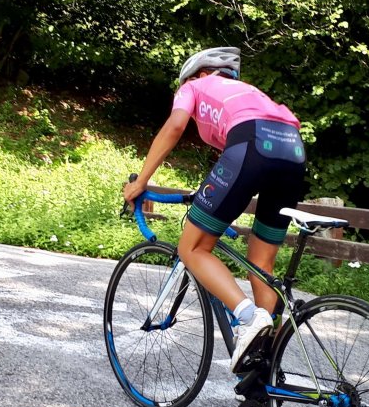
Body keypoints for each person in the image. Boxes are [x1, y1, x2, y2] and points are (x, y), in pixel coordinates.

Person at [123, 47, 307, 372]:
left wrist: (141, 182)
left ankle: (249, 318)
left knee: (191, 247)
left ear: (199, 74)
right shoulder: (249, 92)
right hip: (293, 149)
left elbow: (175, 126)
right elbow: (238, 161)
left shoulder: (194, 87)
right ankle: (265, 369)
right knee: (261, 262)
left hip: (250, 145)